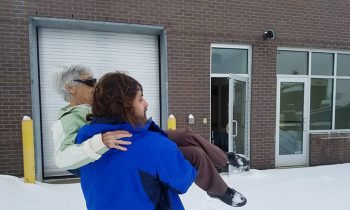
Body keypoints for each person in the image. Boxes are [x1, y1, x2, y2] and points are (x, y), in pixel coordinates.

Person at [51, 64, 248, 207]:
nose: (95, 85)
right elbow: (62, 158)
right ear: (71, 88)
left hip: (134, 133)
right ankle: (220, 190)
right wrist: (99, 143)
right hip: (126, 143)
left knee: (186, 135)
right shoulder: (67, 120)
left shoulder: (95, 104)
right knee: (193, 154)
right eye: (90, 81)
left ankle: (224, 158)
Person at [76, 72, 197, 210]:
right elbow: (182, 181)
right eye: (140, 99)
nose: (146, 103)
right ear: (124, 106)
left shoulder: (83, 141)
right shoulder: (154, 145)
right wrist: (192, 161)